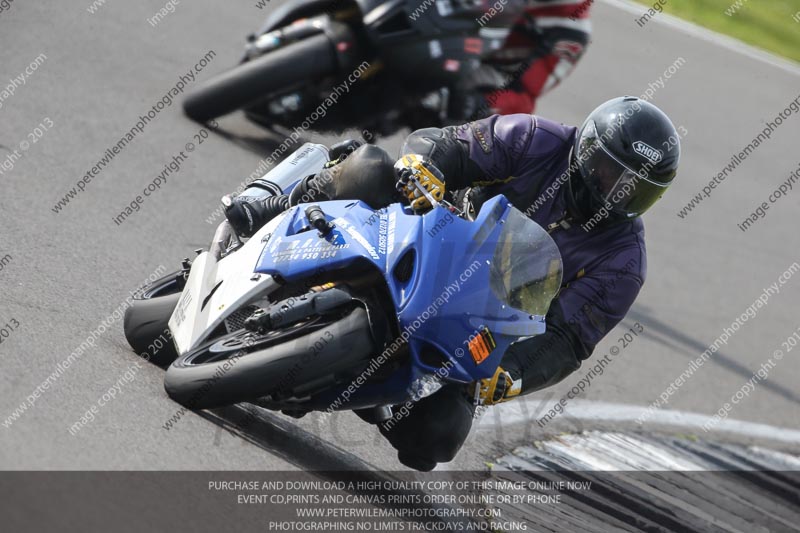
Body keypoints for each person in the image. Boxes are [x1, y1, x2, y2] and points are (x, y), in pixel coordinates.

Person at [224, 96, 681, 470]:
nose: (616, 192)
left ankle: (369, 388)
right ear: (587, 150)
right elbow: (452, 145)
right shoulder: (536, 138)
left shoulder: (624, 263)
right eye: (610, 172)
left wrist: (513, 374)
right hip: (429, 227)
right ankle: (273, 204)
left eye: (635, 189)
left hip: (476, 315)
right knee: (371, 167)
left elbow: (567, 338)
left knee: (435, 439)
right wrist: (429, 167)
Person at [463, 0, 594, 118]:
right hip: (456, 41)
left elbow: (524, 97)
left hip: (483, 78)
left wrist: (475, 103)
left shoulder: (573, 32)